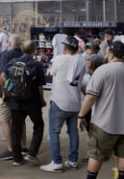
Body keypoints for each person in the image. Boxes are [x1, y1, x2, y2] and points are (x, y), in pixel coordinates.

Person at [78, 41, 124, 179]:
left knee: (96, 156)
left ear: (111, 54)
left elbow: (91, 97)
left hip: (104, 124)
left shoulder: (102, 70)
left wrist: (81, 115)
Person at [41, 36, 85, 172]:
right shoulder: (82, 61)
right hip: (75, 101)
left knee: (54, 132)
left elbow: (49, 74)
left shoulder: (59, 59)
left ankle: (56, 162)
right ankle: (72, 160)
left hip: (59, 100)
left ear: (65, 48)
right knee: (73, 132)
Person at [4, 39, 46, 166]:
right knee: (38, 126)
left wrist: (6, 95)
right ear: (34, 51)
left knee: (16, 129)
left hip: (16, 101)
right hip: (32, 101)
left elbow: (7, 81)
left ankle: (17, 158)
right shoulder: (36, 65)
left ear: (22, 49)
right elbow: (39, 85)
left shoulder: (12, 63)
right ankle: (32, 153)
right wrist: (42, 99)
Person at [0, 34, 24, 160]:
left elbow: (2, 76)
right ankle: (23, 146)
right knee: (19, 120)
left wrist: (4, 92)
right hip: (22, 92)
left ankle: (11, 149)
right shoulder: (23, 54)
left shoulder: (6, 55)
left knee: (4, 120)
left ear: (9, 43)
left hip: (9, 93)